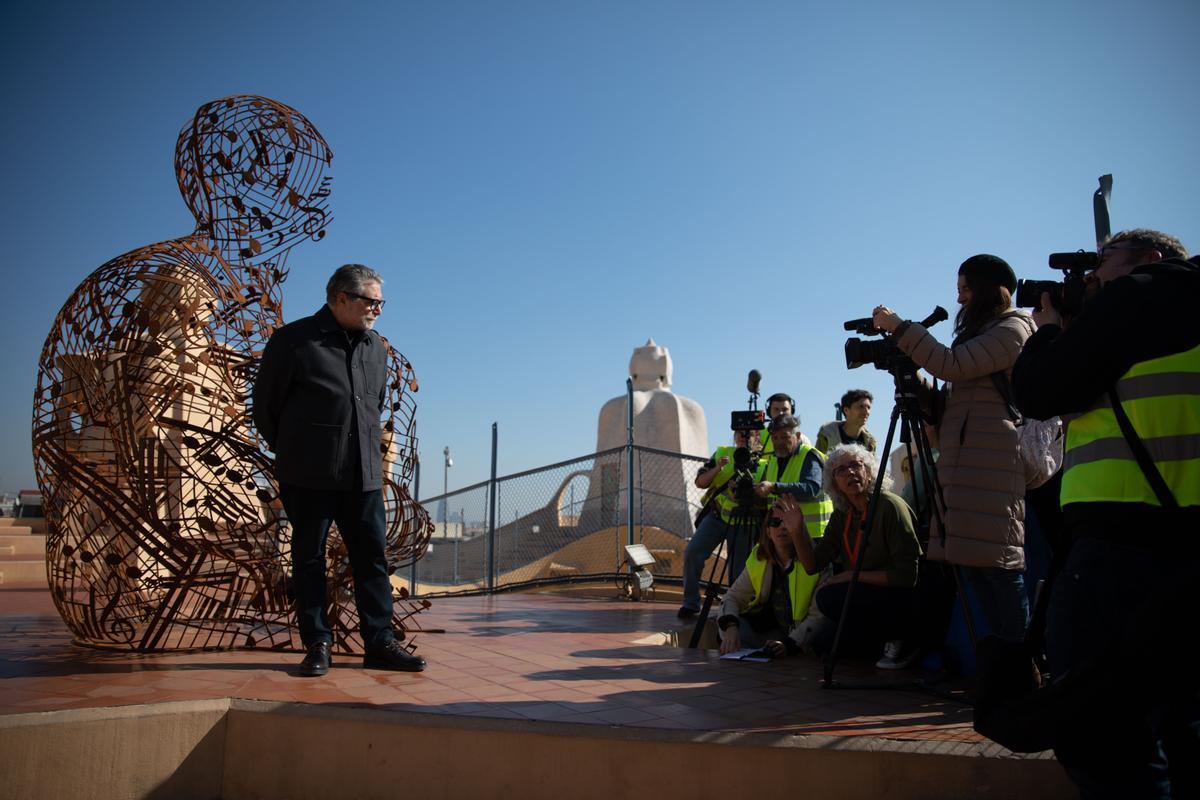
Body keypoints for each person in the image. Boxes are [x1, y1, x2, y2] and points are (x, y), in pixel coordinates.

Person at [1011, 229, 1198, 798]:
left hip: (1124, 543)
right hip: (1181, 536)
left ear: (1150, 258)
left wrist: (1046, 334)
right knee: (1183, 717)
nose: (1092, 276)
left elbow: (1038, 393)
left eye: (1102, 261)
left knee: (1101, 731)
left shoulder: (1139, 296)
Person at [253, 264, 426, 676]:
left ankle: (380, 642)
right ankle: (317, 644)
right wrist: (297, 451)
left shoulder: (376, 349)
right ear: (341, 298)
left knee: (372, 559)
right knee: (309, 559)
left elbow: (374, 405)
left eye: (381, 302)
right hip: (308, 475)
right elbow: (265, 409)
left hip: (363, 477)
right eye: (372, 301)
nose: (378, 310)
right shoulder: (294, 342)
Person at [872, 254, 1035, 643]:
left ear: (989, 290)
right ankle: (996, 670)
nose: (960, 299)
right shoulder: (982, 336)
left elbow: (952, 364)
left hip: (992, 471)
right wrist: (917, 386)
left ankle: (1023, 667)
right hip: (967, 473)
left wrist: (900, 328)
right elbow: (952, 401)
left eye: (965, 289)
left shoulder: (1013, 328)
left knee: (999, 571)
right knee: (974, 574)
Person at [775, 444, 923, 668]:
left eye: (855, 465)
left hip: (899, 596)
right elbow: (812, 565)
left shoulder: (890, 506)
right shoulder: (842, 515)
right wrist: (797, 530)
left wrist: (850, 575)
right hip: (865, 593)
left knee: (831, 596)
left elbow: (906, 576)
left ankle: (905, 640)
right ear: (834, 483)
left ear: (869, 471)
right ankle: (875, 642)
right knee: (823, 645)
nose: (850, 472)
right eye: (841, 470)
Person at [678, 427, 760, 618]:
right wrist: (718, 469)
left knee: (738, 570)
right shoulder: (723, 453)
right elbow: (700, 482)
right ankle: (691, 603)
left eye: (748, 433)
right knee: (693, 552)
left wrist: (743, 493)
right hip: (717, 517)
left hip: (745, 522)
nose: (743, 436)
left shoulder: (764, 460)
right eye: (740, 433)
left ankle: (734, 611)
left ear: (757, 437)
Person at [716, 514, 815, 657]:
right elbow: (732, 597)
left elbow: (819, 617)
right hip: (771, 634)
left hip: (803, 639)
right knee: (731, 626)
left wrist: (790, 643)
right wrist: (731, 626)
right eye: (775, 522)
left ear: (798, 528)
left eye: (788, 521)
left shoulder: (814, 559)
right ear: (768, 531)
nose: (782, 527)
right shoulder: (759, 558)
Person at [815, 389, 877, 454]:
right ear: (846, 410)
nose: (866, 411)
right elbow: (818, 461)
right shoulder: (827, 434)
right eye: (861, 407)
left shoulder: (870, 442)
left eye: (868, 407)